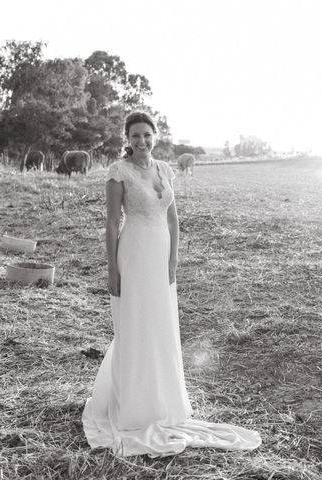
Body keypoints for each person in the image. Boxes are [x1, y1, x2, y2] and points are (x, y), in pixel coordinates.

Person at [82, 111, 261, 456]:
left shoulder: (165, 169)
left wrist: (174, 259)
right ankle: (136, 406)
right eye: (135, 136)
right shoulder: (119, 174)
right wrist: (112, 269)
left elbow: (173, 218)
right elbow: (110, 224)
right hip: (133, 253)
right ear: (127, 139)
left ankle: (165, 401)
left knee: (161, 325)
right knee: (137, 324)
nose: (141, 141)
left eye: (146, 135)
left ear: (155, 135)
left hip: (160, 255)